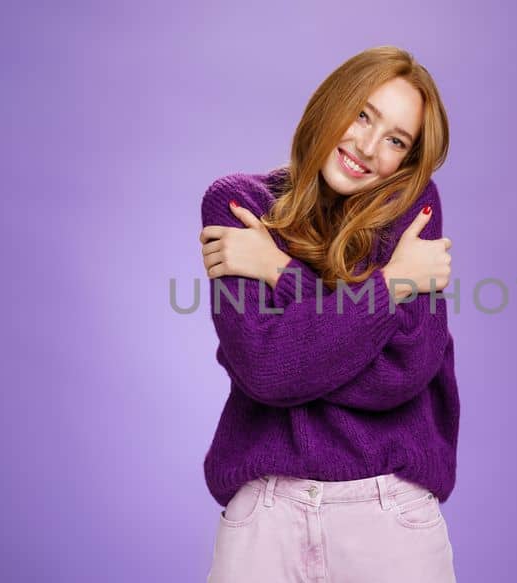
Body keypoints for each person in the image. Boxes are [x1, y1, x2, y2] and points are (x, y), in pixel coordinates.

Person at [196, 45, 459, 582]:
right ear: (331, 104)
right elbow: (268, 370)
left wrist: (279, 272)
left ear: (407, 162)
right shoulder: (239, 206)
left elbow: (398, 373)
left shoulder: (412, 210)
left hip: (389, 520)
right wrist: (395, 284)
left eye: (395, 140)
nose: (366, 145)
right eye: (362, 114)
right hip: (265, 522)